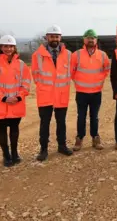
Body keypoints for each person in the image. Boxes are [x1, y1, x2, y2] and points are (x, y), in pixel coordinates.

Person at [0, 35, 31, 167]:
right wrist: (4, 97)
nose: (8, 49)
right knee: (2, 128)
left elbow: (26, 83)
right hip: (0, 103)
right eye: (5, 46)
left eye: (10, 46)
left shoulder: (21, 65)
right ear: (0, 47)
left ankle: (15, 153)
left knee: (15, 128)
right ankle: (6, 155)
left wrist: (19, 96)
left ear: (14, 48)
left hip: (16, 102)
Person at [32, 25, 74, 161]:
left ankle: (62, 146)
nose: (54, 39)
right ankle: (43, 149)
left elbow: (71, 73)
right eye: (52, 36)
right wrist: (46, 88)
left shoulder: (68, 55)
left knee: (61, 122)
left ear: (60, 38)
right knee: (45, 123)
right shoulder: (37, 55)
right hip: (45, 95)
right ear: (47, 37)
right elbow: (36, 75)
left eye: (57, 36)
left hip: (61, 95)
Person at [70, 29, 110, 151]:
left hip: (96, 92)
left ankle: (95, 138)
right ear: (84, 40)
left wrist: (99, 81)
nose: (90, 39)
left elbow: (106, 69)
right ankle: (79, 138)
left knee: (94, 116)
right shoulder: (76, 54)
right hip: (81, 92)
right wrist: (78, 82)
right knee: (81, 116)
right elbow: (71, 71)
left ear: (96, 40)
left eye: (93, 37)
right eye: (88, 37)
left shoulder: (102, 55)